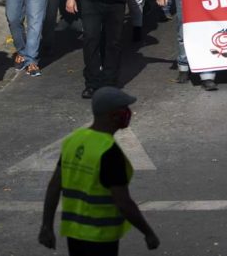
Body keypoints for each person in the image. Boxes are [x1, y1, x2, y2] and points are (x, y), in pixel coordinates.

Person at [39, 87, 160, 255]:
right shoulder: (109, 152)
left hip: (74, 234)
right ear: (114, 115)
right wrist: (148, 232)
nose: (128, 112)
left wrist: (47, 226)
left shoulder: (74, 140)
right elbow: (123, 202)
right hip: (101, 237)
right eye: (124, 109)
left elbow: (54, 186)